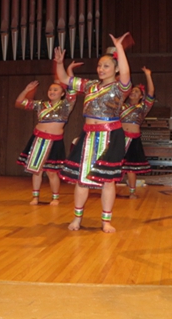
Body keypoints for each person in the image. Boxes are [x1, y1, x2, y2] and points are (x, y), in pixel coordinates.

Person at [56, 33, 132, 233]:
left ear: (116, 69)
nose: (101, 69)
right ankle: (77, 218)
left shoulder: (120, 87)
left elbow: (126, 73)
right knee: (82, 179)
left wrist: (119, 48)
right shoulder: (89, 85)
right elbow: (63, 78)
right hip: (88, 135)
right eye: (99, 66)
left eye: (106, 66)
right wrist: (59, 63)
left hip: (110, 135)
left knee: (108, 181)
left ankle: (106, 221)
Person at [15, 54, 79, 205]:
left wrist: (69, 70)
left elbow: (73, 89)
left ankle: (55, 198)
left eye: (56, 89)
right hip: (38, 139)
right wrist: (26, 90)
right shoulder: (41, 105)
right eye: (50, 89)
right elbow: (19, 102)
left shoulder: (66, 105)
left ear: (62, 93)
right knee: (36, 170)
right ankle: (35, 197)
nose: (52, 91)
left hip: (54, 141)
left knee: (51, 172)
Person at [120, 67, 155, 198]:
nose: (133, 93)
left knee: (131, 167)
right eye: (132, 91)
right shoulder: (121, 106)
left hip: (133, 139)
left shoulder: (143, 108)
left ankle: (132, 191)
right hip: (120, 137)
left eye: (136, 91)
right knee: (114, 163)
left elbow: (151, 92)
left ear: (141, 96)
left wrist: (148, 75)